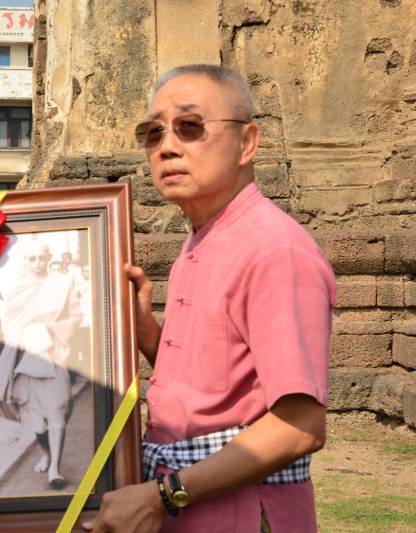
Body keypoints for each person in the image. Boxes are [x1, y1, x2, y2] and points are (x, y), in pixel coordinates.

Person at [85, 64, 335, 532]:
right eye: (153, 132)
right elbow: (217, 390)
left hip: (240, 514)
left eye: (190, 126)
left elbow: (300, 425)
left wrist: (162, 495)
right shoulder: (202, 240)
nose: (167, 146)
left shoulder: (274, 250)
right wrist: (147, 333)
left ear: (247, 143)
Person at [0, 239, 83, 490]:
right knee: (35, 419)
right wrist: (24, 332)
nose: (38, 263)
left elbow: (75, 316)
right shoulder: (18, 289)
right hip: (23, 360)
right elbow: (9, 324)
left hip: (52, 353)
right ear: (26, 262)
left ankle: (55, 468)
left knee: (58, 409)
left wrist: (50, 329)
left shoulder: (62, 284)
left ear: (49, 259)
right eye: (33, 259)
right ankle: (47, 453)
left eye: (42, 258)